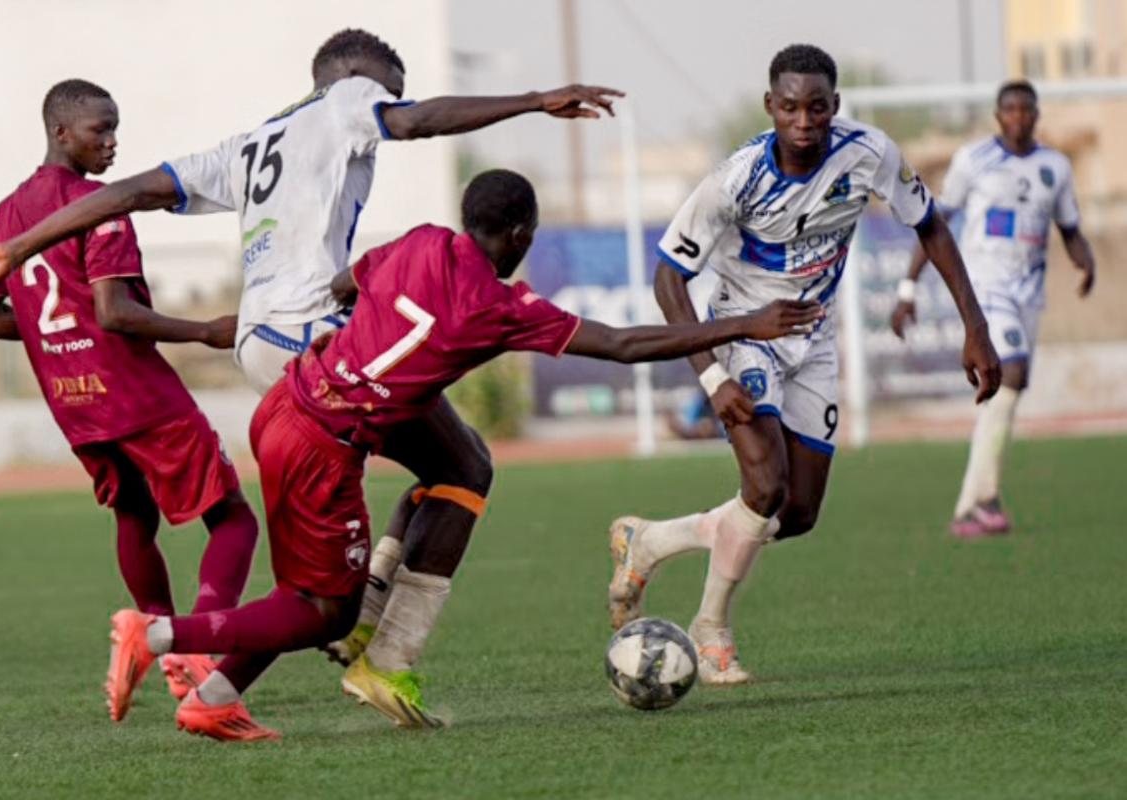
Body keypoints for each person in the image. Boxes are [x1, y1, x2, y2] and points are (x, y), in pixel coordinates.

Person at [0, 30, 623, 717]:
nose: (388, 100)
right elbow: (417, 121)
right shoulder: (347, 97)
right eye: (388, 84)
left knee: (391, 512)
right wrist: (535, 101)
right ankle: (379, 653)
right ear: (353, 74)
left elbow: (133, 191)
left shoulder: (250, 144)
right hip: (311, 338)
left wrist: (18, 247)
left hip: (257, 346)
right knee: (463, 471)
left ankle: (257, 669)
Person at [99, 169, 824, 741]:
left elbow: (346, 282)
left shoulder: (420, 240)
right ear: (517, 233)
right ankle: (159, 634)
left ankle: (220, 699)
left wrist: (363, 337)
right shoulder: (499, 306)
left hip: (292, 403)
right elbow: (625, 345)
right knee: (314, 609)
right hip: (326, 445)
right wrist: (745, 323)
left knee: (460, 470)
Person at [606, 44, 1001, 686]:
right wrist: (713, 375)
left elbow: (931, 225)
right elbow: (668, 280)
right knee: (764, 486)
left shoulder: (868, 153)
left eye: (817, 107)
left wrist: (975, 328)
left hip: (813, 343)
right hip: (744, 335)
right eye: (790, 107)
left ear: (834, 107)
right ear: (771, 107)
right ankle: (711, 631)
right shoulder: (736, 179)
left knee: (796, 514)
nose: (805, 120)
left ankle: (649, 541)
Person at [0, 79, 259, 715]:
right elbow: (116, 312)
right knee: (233, 517)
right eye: (101, 130)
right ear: (60, 133)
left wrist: (55, 338)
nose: (113, 141)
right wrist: (206, 330)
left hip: (76, 405)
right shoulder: (99, 205)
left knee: (134, 517)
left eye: (115, 127)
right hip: (137, 395)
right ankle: (193, 650)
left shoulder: (6, 214)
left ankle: (147, 628)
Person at [891, 80, 1096, 537]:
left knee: (1006, 389)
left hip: (1028, 292)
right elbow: (935, 223)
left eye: (1027, 109)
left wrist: (1085, 258)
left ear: (1037, 115)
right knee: (1015, 371)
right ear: (998, 116)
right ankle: (984, 498)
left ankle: (972, 505)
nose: (1019, 117)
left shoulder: (1055, 167)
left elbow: (1070, 227)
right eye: (1010, 109)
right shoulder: (973, 161)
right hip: (985, 287)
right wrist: (908, 288)